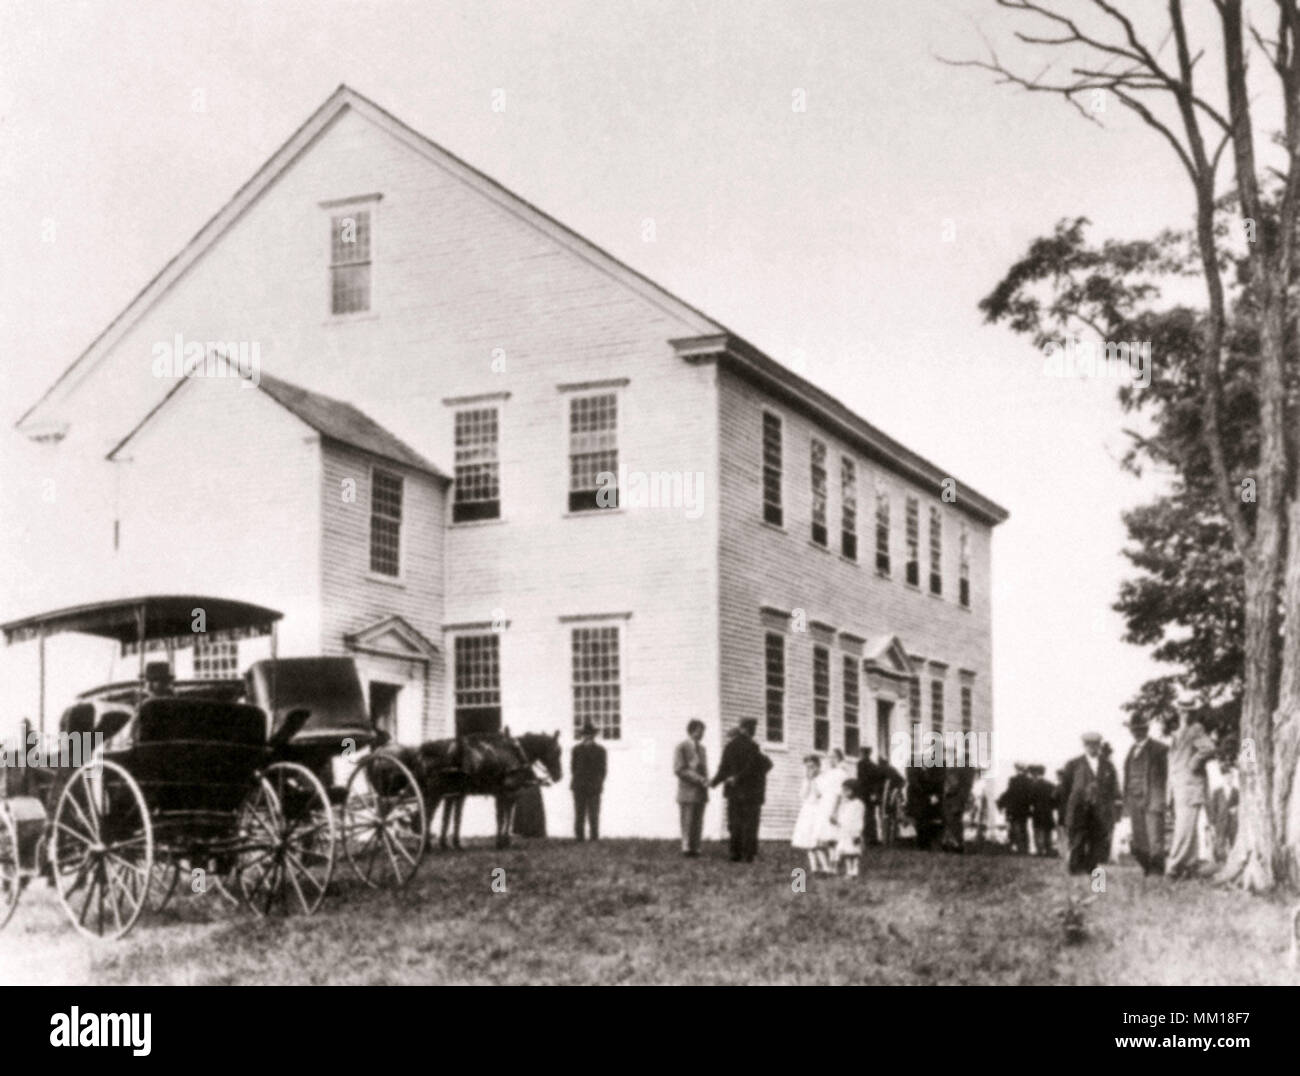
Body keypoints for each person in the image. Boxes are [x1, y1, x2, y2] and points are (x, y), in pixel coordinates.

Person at [710, 717, 773, 862]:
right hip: (751, 793)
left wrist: (713, 782)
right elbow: (752, 768)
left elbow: (723, 769)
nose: (754, 731)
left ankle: (735, 853)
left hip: (733, 792)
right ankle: (749, 854)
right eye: (753, 728)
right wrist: (738, 778)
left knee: (735, 823)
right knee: (750, 823)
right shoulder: (753, 747)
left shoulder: (729, 746)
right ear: (748, 729)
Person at [1057, 732, 1120, 876]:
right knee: (1078, 838)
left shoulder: (1107, 765)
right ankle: (1075, 868)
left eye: (1095, 745)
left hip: (1100, 809)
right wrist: (1065, 812)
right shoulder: (1073, 764)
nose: (1093, 748)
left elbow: (1113, 788)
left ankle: (1092, 868)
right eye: (1089, 745)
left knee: (1097, 838)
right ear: (1084, 746)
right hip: (1079, 808)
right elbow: (1065, 789)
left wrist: (1112, 809)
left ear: (1099, 746)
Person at [1165, 708, 1217, 880]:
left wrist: (1194, 763)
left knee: (1184, 829)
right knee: (1188, 828)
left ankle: (1172, 869)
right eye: (1183, 710)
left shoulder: (1196, 729)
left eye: (1189, 711)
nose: (1186, 714)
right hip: (1178, 788)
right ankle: (1189, 867)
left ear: (1193, 713)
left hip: (1190, 787)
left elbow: (1209, 748)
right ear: (1178, 711)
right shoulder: (1177, 733)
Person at [1121, 715, 1168, 876]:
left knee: (1155, 837)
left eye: (1140, 729)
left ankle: (1157, 870)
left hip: (1153, 800)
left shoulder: (1160, 749)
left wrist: (1164, 798)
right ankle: (1147, 868)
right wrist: (1126, 801)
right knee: (1139, 838)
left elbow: (1168, 777)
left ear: (1146, 730)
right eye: (1133, 730)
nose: (1136, 732)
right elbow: (1127, 777)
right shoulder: (1131, 751)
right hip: (1134, 800)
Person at [673, 719, 709, 856]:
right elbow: (679, 769)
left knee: (698, 820)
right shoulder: (681, 747)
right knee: (687, 820)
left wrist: (705, 781)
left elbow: (704, 768)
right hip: (687, 791)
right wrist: (698, 779)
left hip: (701, 791)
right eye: (700, 730)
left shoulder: (702, 749)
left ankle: (696, 848)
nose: (702, 734)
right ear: (693, 730)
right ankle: (686, 848)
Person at [570, 722, 607, 841]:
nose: (587, 737)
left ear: (593, 736)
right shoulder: (576, 750)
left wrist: (598, 783)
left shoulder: (601, 750)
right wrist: (578, 780)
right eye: (585, 735)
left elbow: (603, 770)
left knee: (594, 813)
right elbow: (573, 768)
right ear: (582, 736)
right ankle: (579, 837)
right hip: (579, 786)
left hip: (594, 786)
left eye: (590, 735)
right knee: (579, 813)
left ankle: (594, 837)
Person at [792, 755, 827, 874]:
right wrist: (808, 781)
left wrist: (814, 781)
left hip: (819, 811)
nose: (810, 770)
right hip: (808, 811)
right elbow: (803, 795)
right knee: (808, 842)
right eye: (807, 767)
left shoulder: (822, 779)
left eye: (812, 767)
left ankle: (826, 867)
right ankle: (814, 868)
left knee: (817, 842)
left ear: (818, 766)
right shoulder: (806, 780)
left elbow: (820, 795)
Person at [996, 763, 1033, 854]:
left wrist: (1000, 803)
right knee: (1023, 827)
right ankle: (1024, 848)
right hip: (1024, 809)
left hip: (1014, 809)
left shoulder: (1013, 780)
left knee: (1015, 828)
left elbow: (1009, 793)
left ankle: (1017, 847)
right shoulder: (1029, 781)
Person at [836, 780, 866, 877]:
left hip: (853, 831)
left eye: (847, 790)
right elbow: (842, 816)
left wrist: (857, 833)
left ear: (854, 791)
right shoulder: (845, 803)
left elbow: (858, 819)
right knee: (846, 852)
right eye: (843, 790)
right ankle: (849, 870)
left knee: (854, 852)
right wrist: (838, 822)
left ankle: (855, 870)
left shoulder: (858, 804)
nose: (844, 792)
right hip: (844, 831)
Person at [856, 747, 884, 845]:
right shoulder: (874, 766)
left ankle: (867, 837)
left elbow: (861, 780)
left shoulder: (861, 764)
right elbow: (877, 782)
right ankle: (872, 838)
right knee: (870, 815)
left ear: (863, 753)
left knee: (865, 815)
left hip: (864, 793)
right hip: (871, 793)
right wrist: (874, 793)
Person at [1028, 765, 1057, 857]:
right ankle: (1048, 850)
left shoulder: (1033, 785)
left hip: (1038, 811)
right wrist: (1051, 807)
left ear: (1035, 773)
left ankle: (1040, 850)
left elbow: (1030, 799)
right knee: (1047, 831)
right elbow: (1055, 799)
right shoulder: (1050, 785)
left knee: (1038, 830)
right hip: (1048, 811)